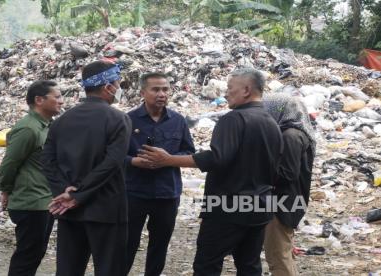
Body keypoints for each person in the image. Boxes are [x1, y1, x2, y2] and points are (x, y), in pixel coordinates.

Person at [139, 68, 283, 276]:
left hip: (228, 207)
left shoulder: (233, 119)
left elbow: (217, 158)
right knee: (249, 265)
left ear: (246, 90)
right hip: (261, 206)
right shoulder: (272, 123)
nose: (226, 93)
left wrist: (168, 160)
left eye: (229, 88)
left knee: (208, 265)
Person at [41, 61, 132, 276]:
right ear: (107, 86)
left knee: (68, 269)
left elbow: (47, 161)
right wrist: (79, 195)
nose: (119, 88)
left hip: (69, 211)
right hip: (107, 210)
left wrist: (65, 193)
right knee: (110, 269)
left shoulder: (61, 120)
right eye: (117, 83)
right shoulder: (119, 119)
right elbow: (112, 163)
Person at [125, 72, 195, 276]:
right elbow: (114, 156)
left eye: (165, 89)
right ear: (143, 92)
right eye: (155, 89)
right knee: (127, 244)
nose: (161, 94)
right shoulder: (128, 120)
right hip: (134, 193)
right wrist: (134, 161)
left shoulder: (178, 121)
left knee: (159, 245)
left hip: (167, 194)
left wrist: (168, 159)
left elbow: (190, 153)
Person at [0, 80, 63, 276]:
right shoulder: (28, 129)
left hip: (44, 201)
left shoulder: (46, 126)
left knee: (36, 253)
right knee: (27, 255)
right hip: (30, 202)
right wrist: (5, 190)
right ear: (39, 100)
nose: (61, 101)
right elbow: (10, 163)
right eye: (57, 96)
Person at [263, 93, 316, 276]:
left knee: (278, 258)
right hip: (289, 202)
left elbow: (287, 174)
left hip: (282, 204)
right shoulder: (298, 133)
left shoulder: (290, 136)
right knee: (284, 254)